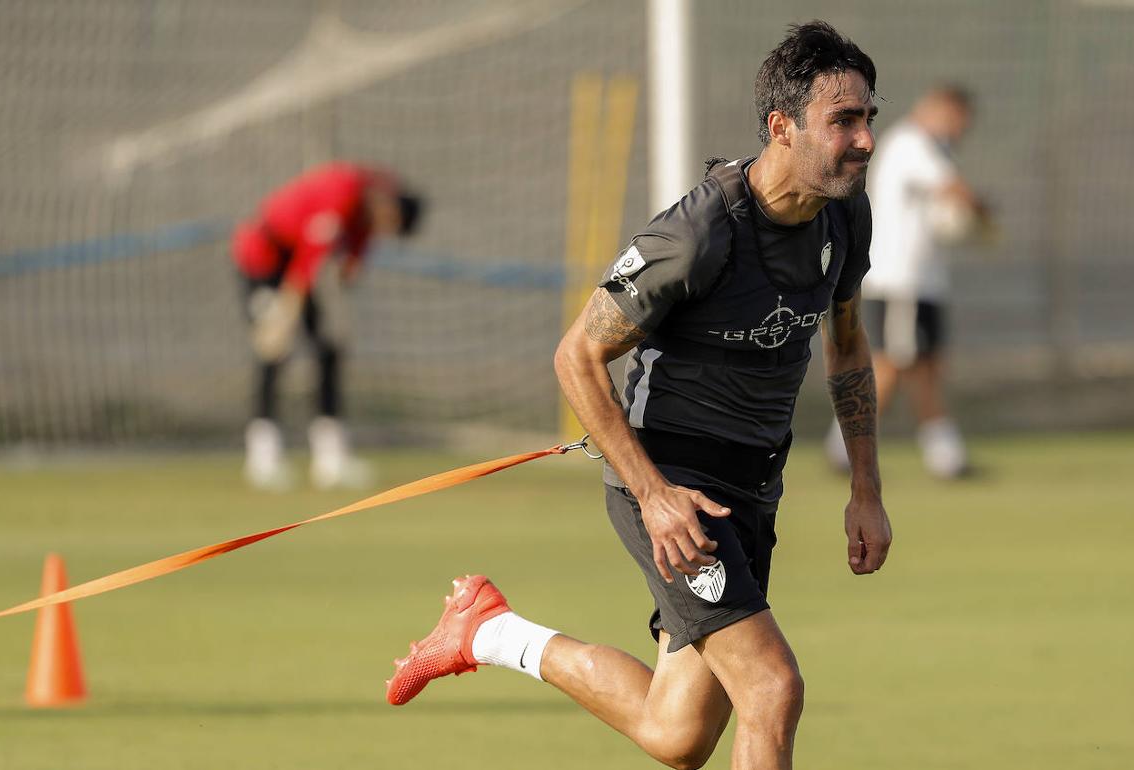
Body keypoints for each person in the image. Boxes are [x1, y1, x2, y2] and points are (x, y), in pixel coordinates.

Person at [386, 21, 892, 770]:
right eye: (843, 121)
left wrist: (866, 489)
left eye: (868, 118)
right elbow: (577, 356)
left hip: (753, 489)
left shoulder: (844, 216)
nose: (865, 140)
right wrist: (654, 495)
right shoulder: (697, 235)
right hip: (674, 489)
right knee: (772, 688)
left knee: (678, 734)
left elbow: (846, 345)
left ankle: (487, 632)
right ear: (781, 128)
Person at [825, 85, 991, 479]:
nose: (959, 129)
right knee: (891, 367)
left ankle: (946, 457)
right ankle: (843, 448)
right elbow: (957, 192)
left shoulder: (934, 149)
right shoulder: (911, 143)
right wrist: (984, 215)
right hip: (901, 281)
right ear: (938, 110)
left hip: (924, 282)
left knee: (927, 366)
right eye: (957, 119)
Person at [231, 161, 422, 491]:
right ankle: (262, 456)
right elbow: (309, 257)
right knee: (274, 349)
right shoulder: (344, 193)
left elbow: (352, 253)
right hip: (263, 259)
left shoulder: (369, 203)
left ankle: (331, 457)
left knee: (328, 349)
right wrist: (285, 314)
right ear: (388, 205)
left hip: (297, 266)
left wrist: (348, 274)